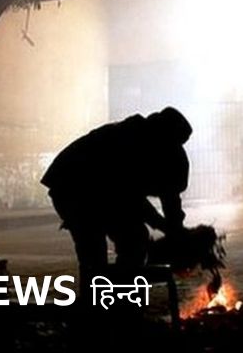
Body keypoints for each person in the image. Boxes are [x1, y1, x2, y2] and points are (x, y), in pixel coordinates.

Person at [40, 107, 193, 290]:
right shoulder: (129, 141)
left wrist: (176, 229)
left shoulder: (166, 151)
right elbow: (131, 199)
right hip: (74, 187)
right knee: (95, 247)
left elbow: (170, 198)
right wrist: (166, 227)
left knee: (133, 239)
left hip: (103, 192)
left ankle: (120, 294)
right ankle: (97, 300)